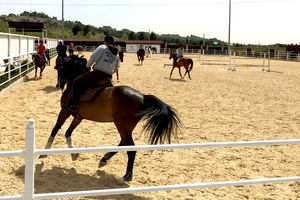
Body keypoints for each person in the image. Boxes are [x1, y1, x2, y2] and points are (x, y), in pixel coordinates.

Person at [62, 35, 119, 112]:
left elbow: (93, 57)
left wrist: (87, 65)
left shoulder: (103, 47)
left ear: (104, 41)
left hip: (98, 74)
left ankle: (73, 104)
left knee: (76, 81)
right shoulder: (117, 54)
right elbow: (116, 68)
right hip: (109, 76)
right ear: (113, 42)